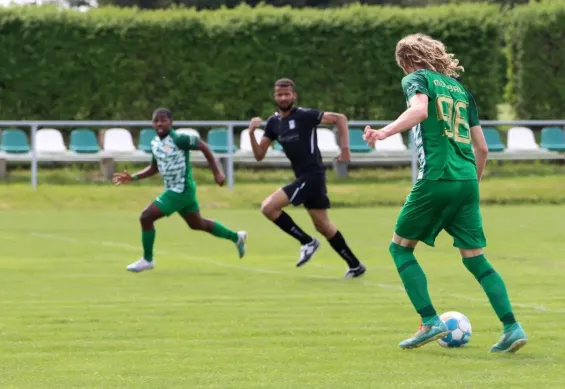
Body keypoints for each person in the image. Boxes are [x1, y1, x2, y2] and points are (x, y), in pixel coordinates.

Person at [363, 34, 527, 353]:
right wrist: (472, 185)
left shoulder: (417, 78)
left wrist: (384, 132)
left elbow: (420, 111)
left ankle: (429, 321)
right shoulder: (462, 91)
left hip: (437, 177)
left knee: (400, 249)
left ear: (407, 61)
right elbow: (482, 147)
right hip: (467, 180)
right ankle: (512, 327)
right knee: (476, 259)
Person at [247, 78, 366, 278]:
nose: (283, 98)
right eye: (279, 94)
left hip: (312, 175)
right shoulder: (274, 123)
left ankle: (307, 241)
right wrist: (251, 133)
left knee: (268, 207)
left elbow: (340, 119)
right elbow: (259, 155)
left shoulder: (305, 115)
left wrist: (345, 150)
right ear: (274, 96)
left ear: (294, 96)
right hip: (304, 177)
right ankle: (355, 265)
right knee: (323, 226)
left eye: (287, 94)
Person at [112, 108, 247, 272]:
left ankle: (147, 259)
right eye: (156, 120)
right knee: (197, 224)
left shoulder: (179, 139)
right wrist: (133, 177)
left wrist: (217, 172)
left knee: (146, 217)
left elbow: (203, 146)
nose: (159, 124)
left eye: (163, 120)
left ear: (171, 122)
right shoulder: (155, 143)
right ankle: (237, 237)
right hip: (176, 190)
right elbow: (155, 167)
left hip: (181, 190)